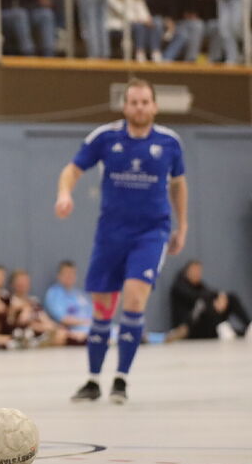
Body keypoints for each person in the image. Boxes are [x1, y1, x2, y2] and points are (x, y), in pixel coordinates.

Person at [56, 79, 188, 404]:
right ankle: (92, 380)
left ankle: (121, 380)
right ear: (125, 106)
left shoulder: (169, 143)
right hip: (111, 233)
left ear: (154, 106)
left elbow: (178, 186)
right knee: (102, 308)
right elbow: (72, 170)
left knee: (133, 298)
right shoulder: (105, 137)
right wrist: (64, 194)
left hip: (151, 233)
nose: (139, 107)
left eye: (145, 102)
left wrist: (181, 227)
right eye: (134, 102)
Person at [169, 260, 249, 340]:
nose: (197, 274)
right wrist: (214, 300)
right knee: (204, 303)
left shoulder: (200, 286)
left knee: (230, 298)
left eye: (199, 271)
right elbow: (196, 297)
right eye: (194, 270)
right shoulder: (179, 287)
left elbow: (211, 293)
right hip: (190, 327)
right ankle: (222, 327)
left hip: (208, 325)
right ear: (186, 272)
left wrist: (221, 297)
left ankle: (248, 326)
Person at [44, 260, 91, 344]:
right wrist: (85, 322)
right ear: (59, 276)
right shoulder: (54, 293)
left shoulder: (80, 294)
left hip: (89, 329)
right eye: (66, 273)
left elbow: (92, 314)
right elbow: (62, 319)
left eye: (72, 273)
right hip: (71, 332)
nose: (70, 276)